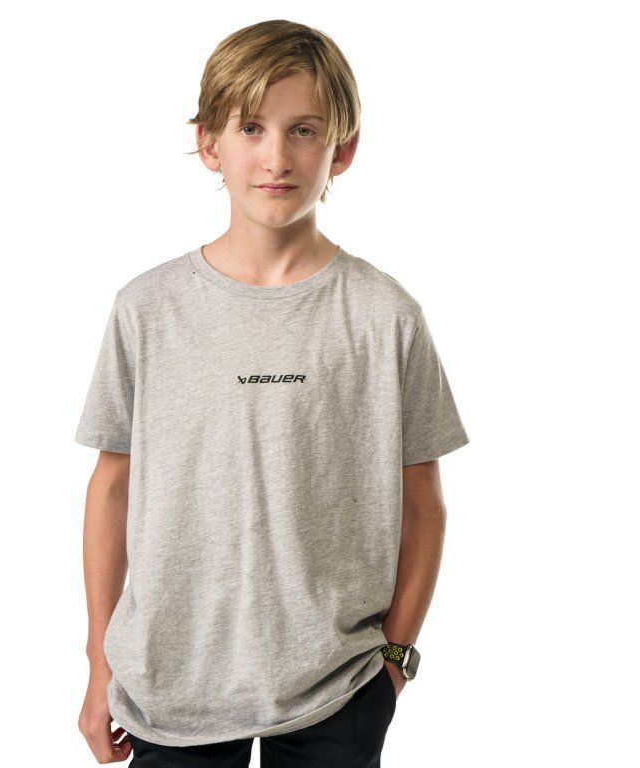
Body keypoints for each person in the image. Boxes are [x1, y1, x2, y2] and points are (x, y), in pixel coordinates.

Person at [75, 19, 470, 767]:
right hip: (171, 682)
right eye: (250, 128)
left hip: (338, 686)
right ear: (209, 144)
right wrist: (100, 664)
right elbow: (112, 485)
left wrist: (394, 661)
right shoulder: (147, 309)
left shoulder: (384, 316)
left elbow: (423, 502)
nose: (276, 157)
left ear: (341, 150)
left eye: (304, 130)